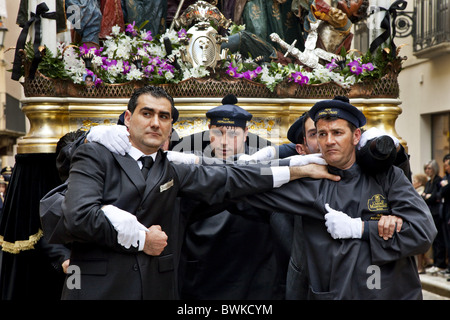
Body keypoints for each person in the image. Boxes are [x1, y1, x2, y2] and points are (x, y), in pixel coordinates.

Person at [57, 85, 338, 300]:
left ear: (169, 128)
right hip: (99, 290)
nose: (155, 122)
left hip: (156, 289)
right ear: (128, 119)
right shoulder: (96, 152)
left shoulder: (172, 168)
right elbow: (79, 216)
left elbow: (232, 176)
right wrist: (142, 237)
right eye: (147, 113)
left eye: (163, 116)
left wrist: (296, 168)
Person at [241, 96, 437, 299]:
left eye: (337, 132)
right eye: (322, 134)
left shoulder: (387, 177)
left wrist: (362, 228)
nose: (329, 141)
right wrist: (288, 165)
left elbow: (422, 232)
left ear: (356, 136)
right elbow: (248, 183)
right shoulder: (311, 182)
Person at [179, 95, 289, 299]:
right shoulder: (192, 168)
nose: (224, 142)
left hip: (254, 273)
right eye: (217, 133)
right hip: (204, 273)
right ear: (208, 131)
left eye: (233, 134)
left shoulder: (263, 168)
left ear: (246, 133)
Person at [422, 159, 447, 274]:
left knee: (439, 239)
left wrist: (428, 196)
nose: (427, 171)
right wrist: (427, 196)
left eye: (429, 168)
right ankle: (436, 262)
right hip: (430, 213)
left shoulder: (438, 180)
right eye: (426, 168)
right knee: (434, 239)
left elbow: (436, 197)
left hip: (437, 213)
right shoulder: (428, 182)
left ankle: (440, 263)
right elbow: (424, 197)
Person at [413, 173, 433, 273]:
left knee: (419, 244)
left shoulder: (420, 191)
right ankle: (425, 262)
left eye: (415, 181)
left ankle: (420, 266)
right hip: (418, 220)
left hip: (421, 221)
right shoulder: (417, 190)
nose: (413, 183)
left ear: (420, 183)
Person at [439, 155, 450, 277]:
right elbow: (439, 193)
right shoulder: (445, 177)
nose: (446, 167)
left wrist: (445, 186)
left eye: (447, 164)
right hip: (445, 214)